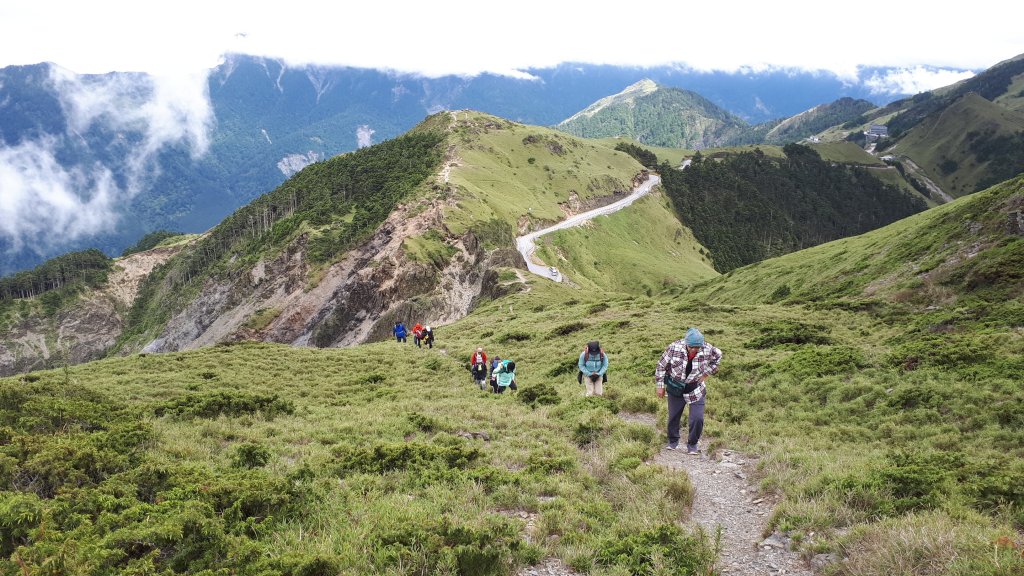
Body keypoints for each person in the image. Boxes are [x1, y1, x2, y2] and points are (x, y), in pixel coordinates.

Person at [654, 327, 722, 455]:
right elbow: (661, 366)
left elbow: (718, 356)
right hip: (676, 387)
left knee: (697, 418)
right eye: (692, 347)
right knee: (673, 417)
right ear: (686, 343)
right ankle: (673, 442)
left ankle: (692, 445)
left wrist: (707, 373)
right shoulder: (674, 347)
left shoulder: (708, 349)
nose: (694, 350)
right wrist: (660, 386)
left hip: (695, 388)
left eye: (697, 347)